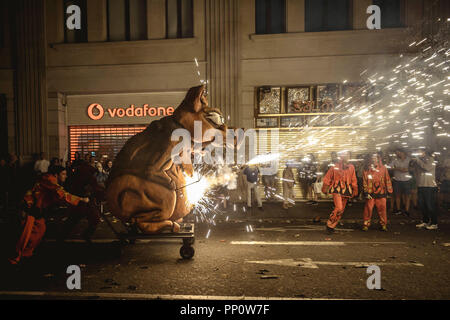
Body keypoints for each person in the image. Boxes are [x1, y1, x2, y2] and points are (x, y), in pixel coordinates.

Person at [7, 165, 89, 265]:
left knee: (39, 230)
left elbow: (58, 197)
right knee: (25, 235)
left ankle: (25, 255)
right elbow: (62, 194)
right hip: (29, 208)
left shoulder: (50, 181)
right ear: (56, 174)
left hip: (36, 210)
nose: (65, 176)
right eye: (63, 174)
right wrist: (80, 199)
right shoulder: (49, 179)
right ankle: (15, 259)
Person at [60, 159, 105, 243]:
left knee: (73, 219)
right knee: (93, 218)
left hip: (80, 200)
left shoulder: (75, 174)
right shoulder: (86, 173)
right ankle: (86, 235)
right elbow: (95, 187)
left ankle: (62, 237)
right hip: (84, 200)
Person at [322, 151, 358, 233]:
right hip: (336, 190)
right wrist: (324, 188)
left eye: (348, 155)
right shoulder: (335, 166)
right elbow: (327, 178)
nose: (347, 156)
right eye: (345, 155)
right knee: (339, 208)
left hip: (346, 191)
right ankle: (329, 224)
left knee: (341, 210)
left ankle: (331, 227)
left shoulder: (351, 167)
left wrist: (355, 190)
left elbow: (354, 179)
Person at [362, 154, 393, 231]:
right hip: (370, 193)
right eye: (372, 158)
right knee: (368, 209)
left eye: (375, 158)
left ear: (378, 159)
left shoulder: (383, 168)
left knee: (382, 209)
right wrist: (366, 192)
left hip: (381, 193)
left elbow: (387, 179)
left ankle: (383, 225)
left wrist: (389, 191)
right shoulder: (366, 169)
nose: (374, 160)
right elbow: (364, 181)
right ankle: (366, 224)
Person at [412, 150, 438, 230]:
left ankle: (434, 223)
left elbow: (427, 168)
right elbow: (415, 172)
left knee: (430, 205)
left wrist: (418, 160)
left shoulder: (431, 159)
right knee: (422, 205)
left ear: (425, 152)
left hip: (429, 185)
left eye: (420, 152)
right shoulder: (417, 161)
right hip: (421, 185)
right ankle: (425, 221)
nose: (418, 154)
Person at [389, 148, 412, 216]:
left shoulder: (409, 159)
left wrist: (407, 169)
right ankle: (398, 210)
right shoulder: (395, 160)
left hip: (407, 180)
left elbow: (412, 168)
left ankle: (407, 210)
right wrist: (397, 168)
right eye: (396, 153)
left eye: (398, 152)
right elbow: (389, 167)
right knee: (397, 195)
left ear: (402, 152)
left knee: (407, 196)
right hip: (397, 180)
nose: (397, 154)